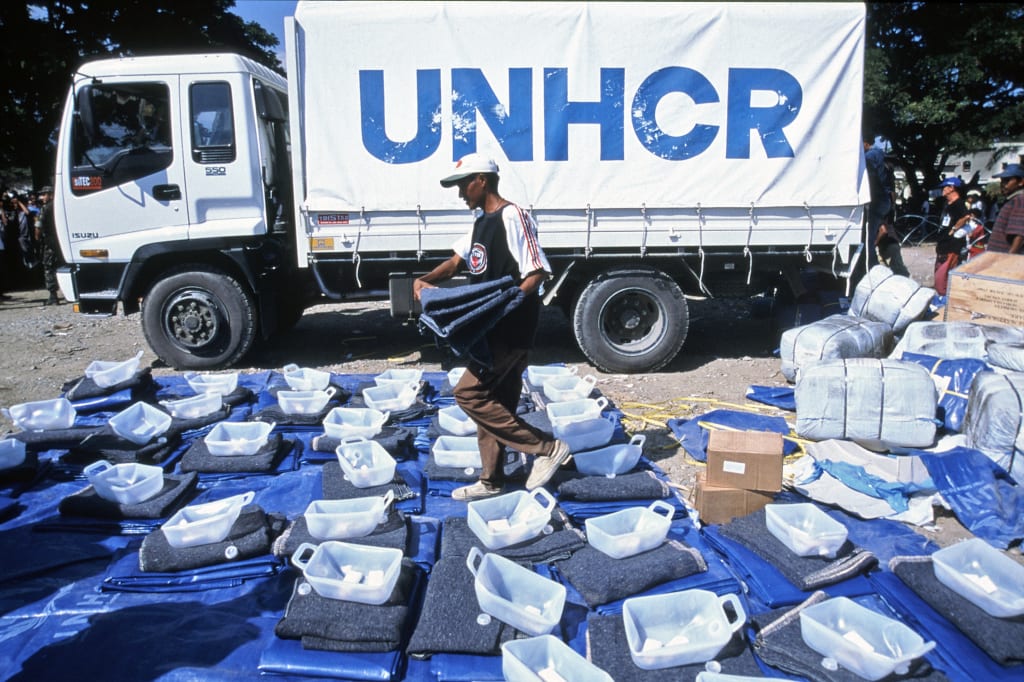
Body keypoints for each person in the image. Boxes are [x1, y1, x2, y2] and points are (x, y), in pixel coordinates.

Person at [413, 153, 570, 500]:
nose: (460, 194)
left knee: (469, 393)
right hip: (490, 329)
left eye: (463, 185)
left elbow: (537, 271)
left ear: (481, 181)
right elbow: (456, 262)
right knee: (497, 404)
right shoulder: (480, 222)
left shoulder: (513, 216)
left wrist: (510, 304)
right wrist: (425, 280)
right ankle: (491, 480)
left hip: (509, 330)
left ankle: (547, 448)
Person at [932, 177, 969, 295]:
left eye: (944, 187)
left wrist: (953, 229)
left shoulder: (959, 203)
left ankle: (945, 299)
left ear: (952, 188)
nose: (942, 190)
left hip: (952, 246)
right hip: (943, 244)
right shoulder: (947, 204)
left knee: (942, 279)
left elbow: (966, 217)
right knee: (938, 275)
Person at [862, 131, 893, 271]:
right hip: (885, 199)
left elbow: (871, 178)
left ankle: (871, 265)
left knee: (868, 236)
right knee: (874, 231)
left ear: (865, 143)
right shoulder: (881, 154)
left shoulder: (869, 157)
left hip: (876, 199)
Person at [986, 163, 1024, 254]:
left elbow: (1020, 235)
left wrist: (1008, 258)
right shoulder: (1012, 200)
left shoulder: (1020, 200)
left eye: (1007, 180)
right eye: (1002, 181)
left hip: (1005, 257)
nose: (1003, 184)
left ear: (1021, 182)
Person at [35, 186, 61, 306]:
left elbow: (38, 226)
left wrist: (37, 239)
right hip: (61, 242)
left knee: (49, 267)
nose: (42, 197)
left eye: (44, 194)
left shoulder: (45, 208)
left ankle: (53, 295)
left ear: (50, 194)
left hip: (49, 242)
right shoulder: (59, 206)